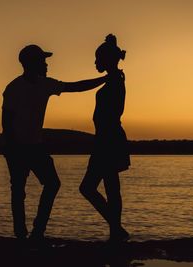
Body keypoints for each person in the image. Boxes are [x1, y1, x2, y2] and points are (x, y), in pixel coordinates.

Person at [2, 44, 107, 241]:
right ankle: (21, 234)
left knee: (51, 184)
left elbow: (75, 87)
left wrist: (103, 79)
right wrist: (11, 148)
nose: (46, 64)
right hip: (17, 147)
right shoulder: (13, 88)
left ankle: (37, 231)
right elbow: (6, 122)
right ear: (31, 63)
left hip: (35, 147)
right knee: (18, 191)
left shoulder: (45, 84)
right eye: (43, 61)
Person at [79, 34, 130, 242]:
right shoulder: (114, 79)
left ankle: (116, 229)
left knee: (91, 187)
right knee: (109, 187)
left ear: (107, 60)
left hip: (108, 140)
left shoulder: (116, 81)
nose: (95, 63)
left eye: (97, 59)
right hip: (107, 139)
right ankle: (116, 230)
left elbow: (113, 113)